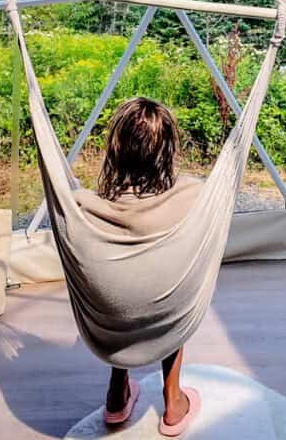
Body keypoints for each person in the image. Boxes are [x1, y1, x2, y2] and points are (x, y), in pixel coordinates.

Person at [81, 97, 203, 436]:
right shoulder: (191, 194)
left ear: (116, 149)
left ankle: (116, 394)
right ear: (167, 150)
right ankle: (173, 399)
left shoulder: (86, 208)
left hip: (111, 319)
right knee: (170, 285)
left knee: (124, 281)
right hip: (165, 311)